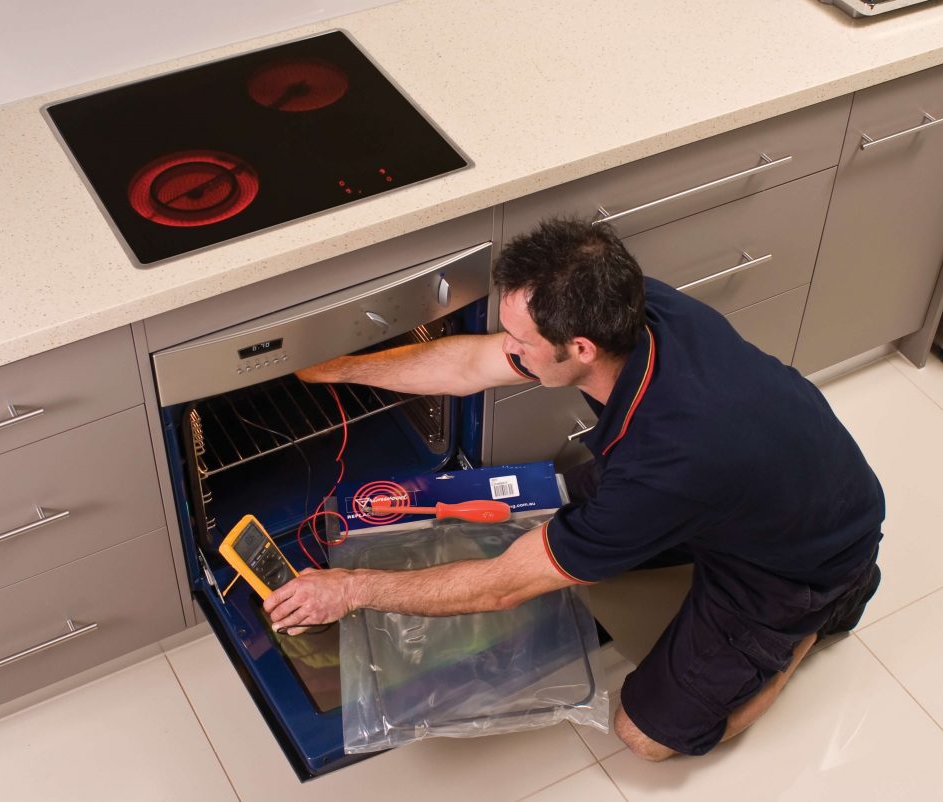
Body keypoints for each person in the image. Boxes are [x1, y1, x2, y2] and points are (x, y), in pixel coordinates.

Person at [263, 217, 884, 761]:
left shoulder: (665, 465)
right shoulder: (634, 312)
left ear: (580, 348)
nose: (508, 351)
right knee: (559, 514)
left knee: (645, 736)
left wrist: (351, 590)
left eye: (521, 344)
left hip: (801, 556)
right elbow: (466, 366)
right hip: (758, 483)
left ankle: (815, 617)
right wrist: (336, 370)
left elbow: (503, 588)